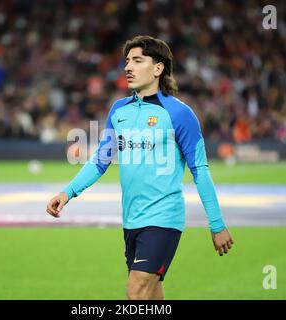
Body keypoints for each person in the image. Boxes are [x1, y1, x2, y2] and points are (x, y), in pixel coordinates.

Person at [46, 35, 234, 300]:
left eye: (137, 60)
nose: (128, 67)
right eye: (126, 61)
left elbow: (200, 170)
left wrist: (216, 224)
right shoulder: (118, 110)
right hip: (131, 220)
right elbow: (100, 161)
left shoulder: (179, 114)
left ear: (158, 68)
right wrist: (67, 193)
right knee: (151, 296)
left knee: (135, 292)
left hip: (163, 219)